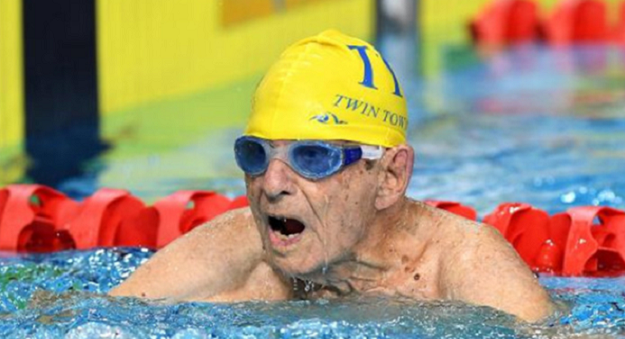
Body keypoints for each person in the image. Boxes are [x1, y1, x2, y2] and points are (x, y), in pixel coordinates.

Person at [110, 30, 555, 322]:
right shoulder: (242, 249)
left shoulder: (464, 266)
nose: (271, 184)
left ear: (390, 176)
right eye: (255, 154)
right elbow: (93, 321)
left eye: (312, 157)